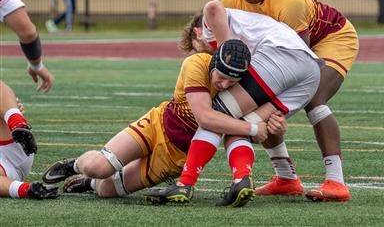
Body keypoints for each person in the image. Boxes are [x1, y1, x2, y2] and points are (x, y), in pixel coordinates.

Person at [42, 39, 270, 206]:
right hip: (157, 125)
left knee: (105, 190)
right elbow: (205, 117)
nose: (224, 84)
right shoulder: (197, 64)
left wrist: (274, 120)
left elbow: (267, 106)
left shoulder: (238, 84)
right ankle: (73, 164)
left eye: (233, 81)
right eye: (221, 76)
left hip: (175, 156)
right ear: (213, 64)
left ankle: (87, 183)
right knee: (98, 167)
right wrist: (253, 129)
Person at [145, 0, 321, 207]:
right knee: (239, 126)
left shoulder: (214, 32)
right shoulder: (244, 25)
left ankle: (185, 183)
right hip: (310, 74)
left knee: (217, 116)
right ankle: (242, 180)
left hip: (282, 54)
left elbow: (212, 7)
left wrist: (225, 49)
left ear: (198, 32)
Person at [221, 0, 358, 202]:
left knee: (314, 99)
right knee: (266, 100)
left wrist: (273, 104)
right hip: (286, 50)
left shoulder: (288, 2)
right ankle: (286, 178)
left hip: (331, 38)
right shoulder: (228, 0)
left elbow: (301, 62)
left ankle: (336, 182)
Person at [0, 0, 57, 199]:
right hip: (11, 154)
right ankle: (15, 118)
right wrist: (36, 65)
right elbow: (28, 32)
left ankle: (14, 119)